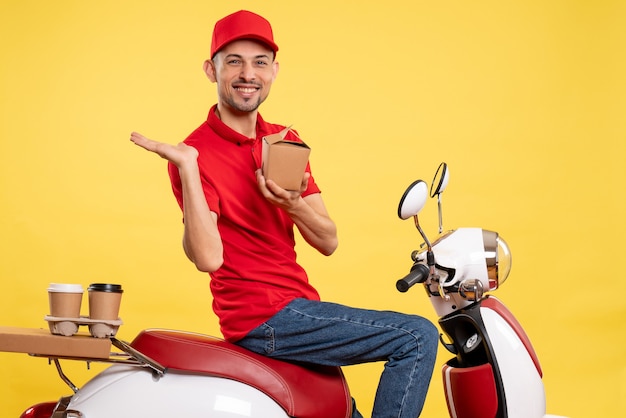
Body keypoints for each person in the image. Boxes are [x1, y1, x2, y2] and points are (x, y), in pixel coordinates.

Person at [130, 10, 438, 418]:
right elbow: (208, 258)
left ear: (274, 71)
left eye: (259, 62)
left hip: (298, 308)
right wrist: (187, 168)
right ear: (211, 69)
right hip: (263, 317)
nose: (248, 73)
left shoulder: (285, 142)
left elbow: (328, 241)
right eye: (234, 61)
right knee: (415, 337)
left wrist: (290, 204)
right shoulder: (193, 154)